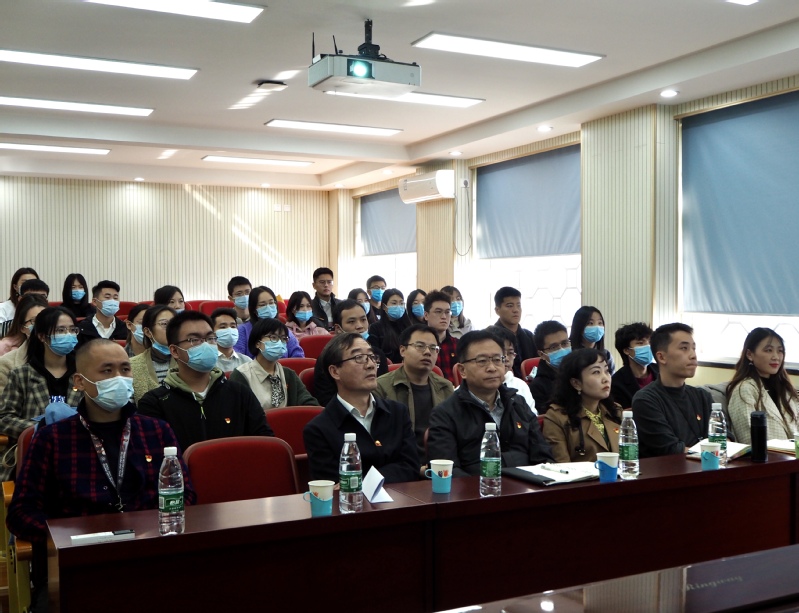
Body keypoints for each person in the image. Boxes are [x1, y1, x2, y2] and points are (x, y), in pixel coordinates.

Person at [7, 339, 195, 612]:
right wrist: (65, 540)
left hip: (148, 556)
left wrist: (156, 531)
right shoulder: (53, 438)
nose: (119, 378)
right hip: (79, 563)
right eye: (107, 371)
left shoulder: (156, 431)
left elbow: (185, 495)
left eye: (125, 369)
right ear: (79, 382)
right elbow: (21, 512)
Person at [138, 311, 273, 451]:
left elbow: (265, 443)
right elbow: (152, 456)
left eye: (210, 338)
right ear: (175, 351)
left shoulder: (239, 393)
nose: (206, 345)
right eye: (194, 340)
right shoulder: (154, 403)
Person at [427, 330, 554, 476]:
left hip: (527, 485)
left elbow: (543, 456)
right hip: (477, 488)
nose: (492, 368)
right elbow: (448, 472)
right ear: (462, 370)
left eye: (497, 359)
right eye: (482, 361)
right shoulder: (445, 414)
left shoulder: (518, 403)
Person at [303, 332, 418, 484]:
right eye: (358, 358)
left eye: (372, 357)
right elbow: (334, 486)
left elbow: (411, 466)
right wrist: (389, 473)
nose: (370, 365)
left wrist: (362, 481)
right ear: (335, 371)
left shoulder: (397, 412)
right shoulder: (319, 429)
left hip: (400, 497)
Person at [0, 307, 84, 479]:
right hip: (35, 454)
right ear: (42, 336)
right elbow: (4, 418)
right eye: (60, 330)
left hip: (78, 452)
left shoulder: (83, 374)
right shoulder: (22, 374)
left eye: (72, 330)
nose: (68, 335)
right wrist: (40, 427)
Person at [374, 324, 454, 467]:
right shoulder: (381, 387)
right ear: (402, 350)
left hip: (440, 465)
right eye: (420, 346)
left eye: (433, 348)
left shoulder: (445, 387)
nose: (427, 352)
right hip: (400, 466)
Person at [632, 323, 712, 457]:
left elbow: (723, 437)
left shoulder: (702, 396)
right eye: (684, 348)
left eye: (694, 348)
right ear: (661, 357)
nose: (693, 355)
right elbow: (671, 449)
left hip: (709, 466)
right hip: (669, 469)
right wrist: (712, 451)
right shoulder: (645, 400)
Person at [543, 349, 622, 462]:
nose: (606, 379)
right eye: (596, 372)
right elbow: (561, 466)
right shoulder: (557, 417)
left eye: (607, 371)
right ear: (576, 383)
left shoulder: (615, 410)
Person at [727, 328, 799, 443]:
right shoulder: (744, 389)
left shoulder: (786, 389)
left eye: (780, 351)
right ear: (750, 354)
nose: (776, 357)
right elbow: (748, 438)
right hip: (768, 453)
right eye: (768, 350)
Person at [229, 317, 318, 409]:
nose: (279, 343)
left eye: (283, 339)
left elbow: (308, 402)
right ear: (257, 343)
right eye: (273, 338)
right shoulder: (241, 375)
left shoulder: (288, 374)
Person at [314, 299, 388, 406]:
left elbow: (384, 390)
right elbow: (326, 399)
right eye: (351, 322)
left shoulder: (378, 354)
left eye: (363, 319)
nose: (360, 326)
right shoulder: (328, 358)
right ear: (338, 328)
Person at [233, 286, 304, 359]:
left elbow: (298, 355)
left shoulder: (283, 330)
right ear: (254, 309)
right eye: (262, 305)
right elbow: (238, 359)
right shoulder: (242, 330)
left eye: (271, 303)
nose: (268, 308)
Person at [0, 296, 48, 395]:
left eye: (45, 320)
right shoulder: (6, 364)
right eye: (34, 321)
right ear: (23, 328)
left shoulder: (69, 358)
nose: (41, 325)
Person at [130, 305, 176, 404]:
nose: (171, 329)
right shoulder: (132, 366)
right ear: (148, 332)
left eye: (174, 324)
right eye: (164, 324)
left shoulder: (188, 361)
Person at [486, 325, 535, 413]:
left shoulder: (520, 385)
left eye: (510, 353)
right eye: (500, 353)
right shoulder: (472, 388)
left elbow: (532, 417)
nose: (506, 359)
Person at [612, 322, 659, 409]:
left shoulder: (662, 371)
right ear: (626, 350)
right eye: (640, 343)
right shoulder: (616, 383)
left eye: (649, 342)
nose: (648, 346)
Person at [493, 286, 537, 378]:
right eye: (510, 306)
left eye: (518, 305)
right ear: (497, 310)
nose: (516, 310)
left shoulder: (529, 336)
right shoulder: (490, 337)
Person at [530, 320, 571, 414]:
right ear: (541, 354)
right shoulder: (537, 387)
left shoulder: (581, 372)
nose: (562, 350)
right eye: (554, 347)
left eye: (565, 343)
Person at [76, 280, 128, 345]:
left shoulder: (125, 329)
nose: (112, 301)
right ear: (95, 302)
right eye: (107, 297)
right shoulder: (81, 327)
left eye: (115, 298)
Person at [368, 288, 411, 364]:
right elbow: (375, 354)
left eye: (401, 303)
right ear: (384, 306)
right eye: (394, 303)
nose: (398, 306)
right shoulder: (375, 328)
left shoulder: (410, 327)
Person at [423, 290, 458, 384]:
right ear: (426, 315)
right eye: (438, 312)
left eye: (447, 312)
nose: (444, 316)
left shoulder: (458, 344)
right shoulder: (419, 346)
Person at [569, 306, 616, 374]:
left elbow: (612, 377)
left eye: (600, 323)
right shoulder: (569, 354)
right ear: (579, 326)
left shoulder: (606, 355)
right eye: (590, 323)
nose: (597, 327)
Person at [210, 307, 251, 372]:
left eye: (233, 326)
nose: (229, 330)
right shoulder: (207, 362)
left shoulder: (246, 361)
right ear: (212, 332)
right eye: (223, 327)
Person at [310, 267, 340, 331]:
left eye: (329, 282)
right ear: (314, 285)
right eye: (322, 282)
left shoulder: (341, 305)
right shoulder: (309, 307)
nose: (326, 285)